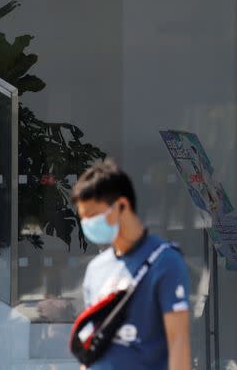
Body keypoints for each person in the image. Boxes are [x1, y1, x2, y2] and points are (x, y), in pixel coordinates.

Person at [72, 159, 192, 370]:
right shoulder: (95, 269)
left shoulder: (166, 261)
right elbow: (93, 343)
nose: (88, 225)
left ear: (122, 206)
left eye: (93, 215)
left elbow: (178, 341)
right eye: (83, 219)